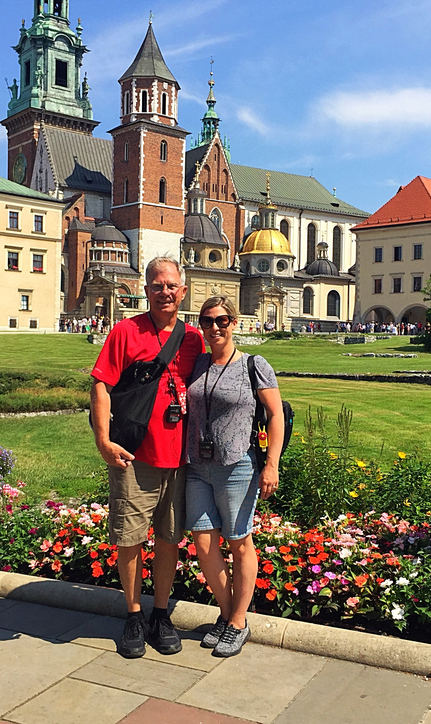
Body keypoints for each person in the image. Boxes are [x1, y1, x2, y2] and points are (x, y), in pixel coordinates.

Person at [90, 256, 204, 659]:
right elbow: (100, 386)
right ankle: (134, 614)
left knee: (169, 538)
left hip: (180, 457)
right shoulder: (126, 331)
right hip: (134, 455)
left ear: (183, 291)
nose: (164, 292)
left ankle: (160, 613)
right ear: (146, 290)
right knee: (131, 539)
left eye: (171, 286)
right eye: (157, 286)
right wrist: (103, 441)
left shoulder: (193, 339)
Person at [185, 295, 284, 657]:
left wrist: (271, 464)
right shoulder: (197, 364)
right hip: (197, 465)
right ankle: (227, 615)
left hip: (238, 465)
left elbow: (275, 414)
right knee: (203, 543)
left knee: (239, 541)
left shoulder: (254, 365)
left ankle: (239, 621)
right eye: (207, 321)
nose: (214, 327)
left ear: (234, 323)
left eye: (222, 320)